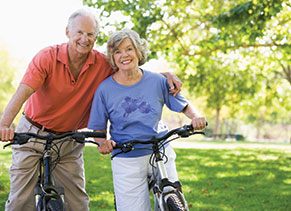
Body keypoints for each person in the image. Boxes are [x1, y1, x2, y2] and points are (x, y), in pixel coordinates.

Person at [0, 9, 182, 211]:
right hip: (32, 134)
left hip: (69, 140)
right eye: (79, 33)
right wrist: (5, 125)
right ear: (68, 32)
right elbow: (22, 93)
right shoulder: (47, 57)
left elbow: (132, 71)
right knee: (20, 201)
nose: (84, 39)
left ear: (96, 37)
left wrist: (163, 76)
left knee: (77, 203)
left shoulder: (102, 64)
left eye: (90, 34)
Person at [87, 28, 207, 211]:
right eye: (117, 51)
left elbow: (184, 105)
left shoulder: (158, 81)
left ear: (138, 51)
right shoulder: (104, 89)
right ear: (112, 57)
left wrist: (196, 117)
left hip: (160, 149)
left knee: (174, 201)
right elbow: (98, 129)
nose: (124, 55)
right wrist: (102, 142)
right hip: (126, 155)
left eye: (129, 49)